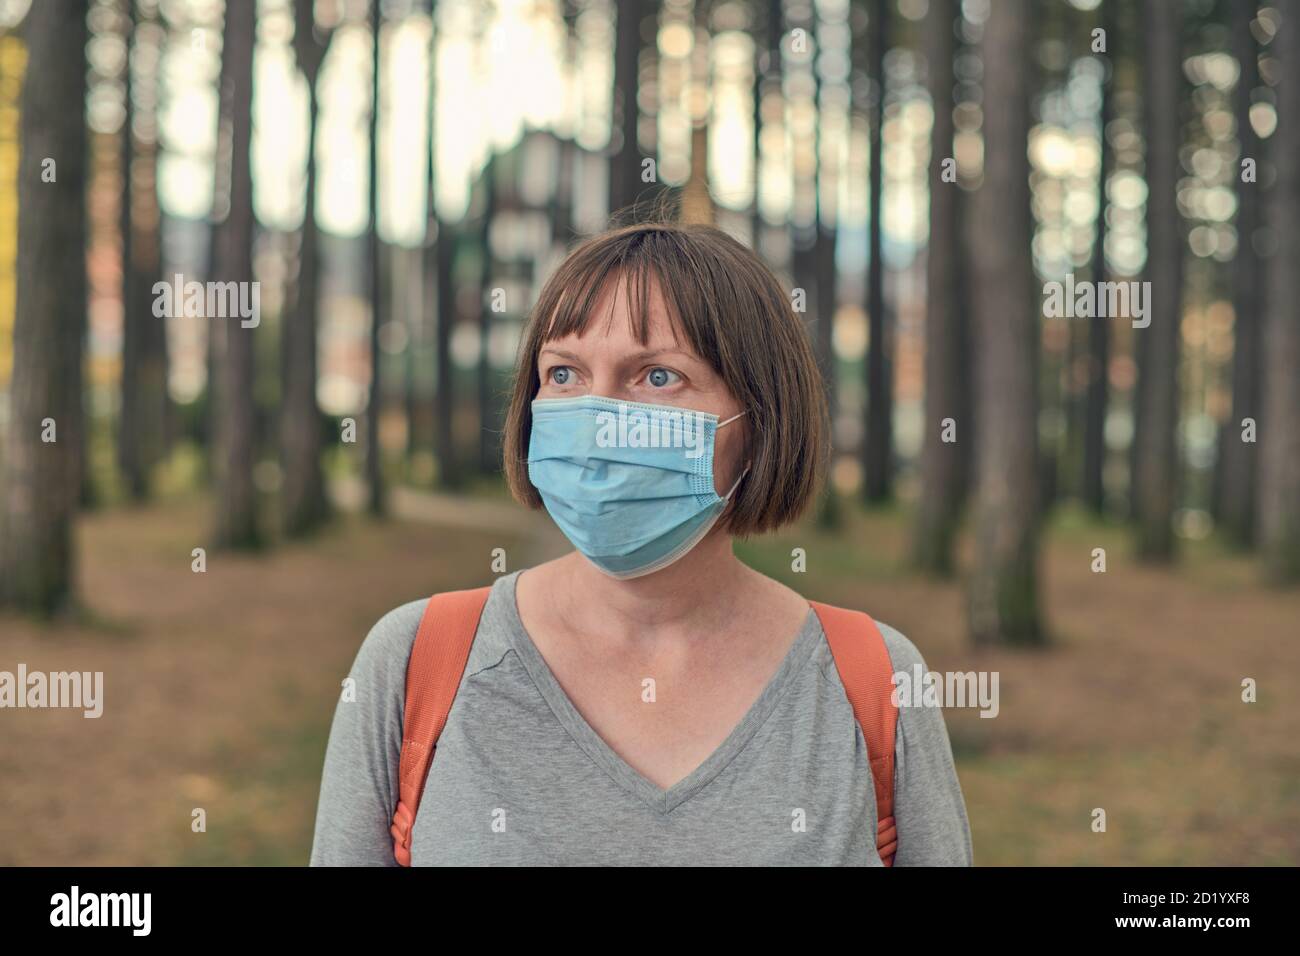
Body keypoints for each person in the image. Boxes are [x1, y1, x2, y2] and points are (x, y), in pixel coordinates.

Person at [310, 221, 973, 866]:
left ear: (759, 418)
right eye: (564, 374)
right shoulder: (414, 664)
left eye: (657, 376)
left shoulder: (876, 682)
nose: (599, 420)